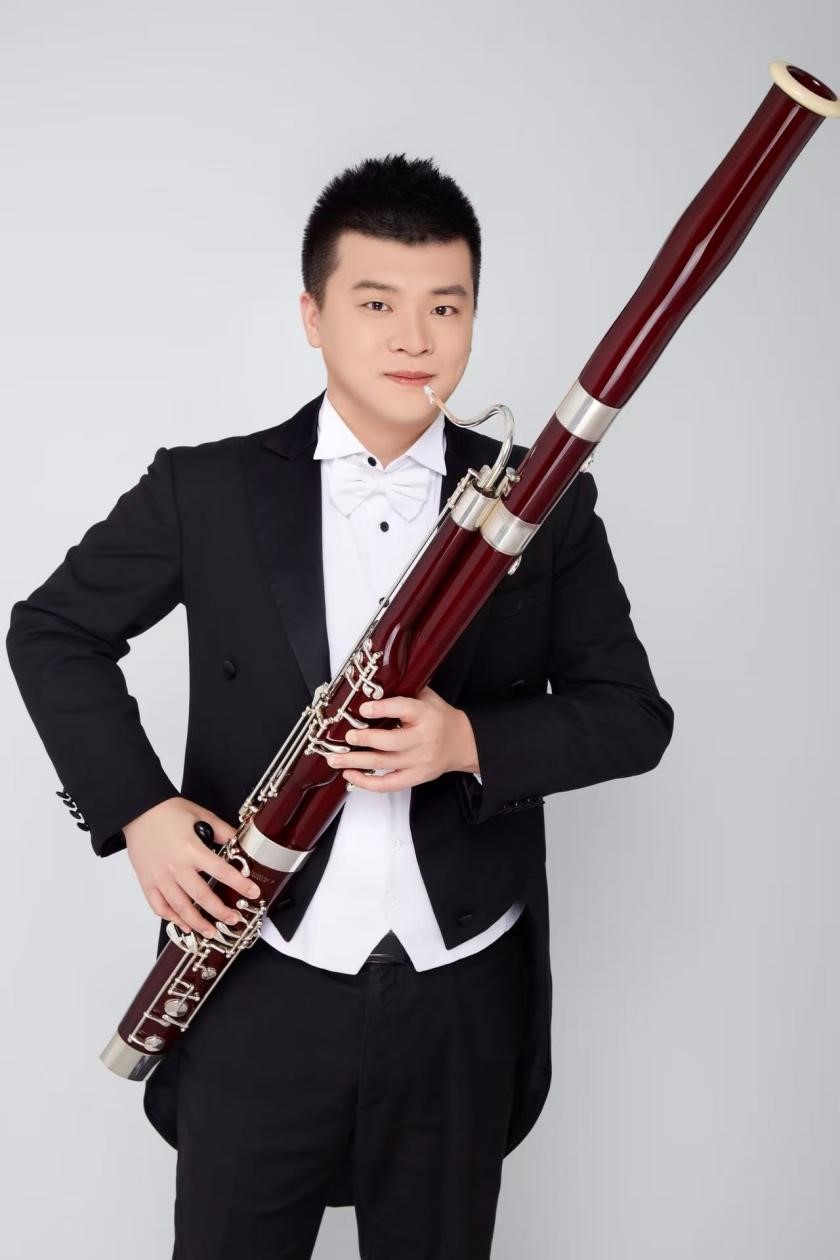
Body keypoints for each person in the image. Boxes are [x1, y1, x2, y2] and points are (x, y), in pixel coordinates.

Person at [5, 152, 674, 1259]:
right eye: (376, 304)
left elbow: (631, 716)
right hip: (256, 970)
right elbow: (51, 633)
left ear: (473, 316)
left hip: (459, 983)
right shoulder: (205, 488)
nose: (415, 338)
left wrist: (467, 741)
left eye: (445, 306)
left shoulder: (545, 500)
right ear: (313, 317)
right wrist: (141, 813)